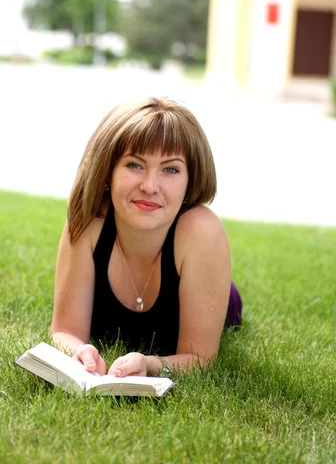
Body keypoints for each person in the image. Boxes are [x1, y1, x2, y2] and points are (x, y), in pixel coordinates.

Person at [51, 97, 242, 378]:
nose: (150, 186)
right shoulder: (89, 219)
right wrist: (77, 351)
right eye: (135, 165)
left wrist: (151, 365)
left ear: (191, 179)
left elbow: (200, 358)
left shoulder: (202, 232)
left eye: (171, 169)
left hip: (216, 292)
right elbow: (64, 331)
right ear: (108, 171)